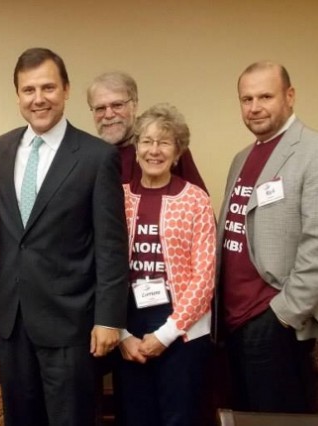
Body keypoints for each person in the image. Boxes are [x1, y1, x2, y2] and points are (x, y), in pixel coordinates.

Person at [0, 47, 129, 426]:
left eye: (48, 87)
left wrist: (109, 318)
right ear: (17, 95)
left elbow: (112, 246)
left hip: (71, 323)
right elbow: (13, 235)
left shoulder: (97, 156)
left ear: (66, 89)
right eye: (28, 90)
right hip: (13, 320)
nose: (38, 99)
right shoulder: (0, 150)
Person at [217, 61, 318, 413]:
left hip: (274, 322)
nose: (254, 107)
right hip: (233, 322)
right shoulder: (243, 158)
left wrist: (282, 315)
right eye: (246, 98)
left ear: (289, 96)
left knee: (277, 419)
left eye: (265, 96)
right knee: (243, 416)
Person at [118, 104, 215, 426]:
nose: (154, 150)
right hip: (129, 328)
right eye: (146, 141)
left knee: (179, 418)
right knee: (135, 417)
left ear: (178, 152)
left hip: (183, 332)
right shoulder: (117, 198)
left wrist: (166, 334)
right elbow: (101, 267)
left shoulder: (195, 200)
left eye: (164, 142)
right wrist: (121, 335)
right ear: (135, 148)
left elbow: (205, 277)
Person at [87, 72, 207, 191]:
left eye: (117, 105)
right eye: (100, 108)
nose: (108, 115)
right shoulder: (90, 156)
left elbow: (200, 203)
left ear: (134, 105)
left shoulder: (164, 146)